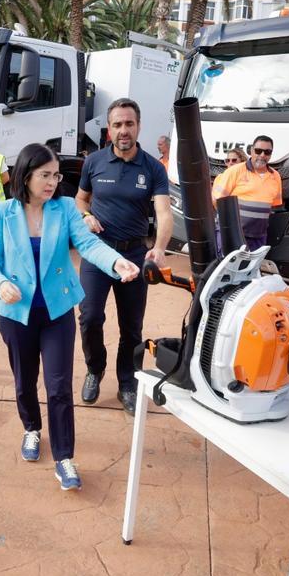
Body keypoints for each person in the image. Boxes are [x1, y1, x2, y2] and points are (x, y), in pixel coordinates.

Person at [0, 144, 140, 490]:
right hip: (16, 314)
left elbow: (88, 244)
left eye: (55, 175)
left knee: (59, 386)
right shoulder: (1, 212)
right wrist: (1, 283)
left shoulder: (65, 208)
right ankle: (31, 428)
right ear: (26, 176)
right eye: (45, 175)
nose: (53, 182)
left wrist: (115, 262)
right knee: (24, 382)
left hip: (57, 312)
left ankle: (64, 457)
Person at [76, 98, 172, 414]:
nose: (123, 130)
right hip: (98, 253)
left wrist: (159, 247)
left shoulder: (153, 168)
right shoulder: (94, 162)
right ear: (109, 129)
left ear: (138, 126)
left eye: (129, 123)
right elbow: (80, 199)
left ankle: (127, 382)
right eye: (117, 124)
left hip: (134, 254)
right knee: (89, 317)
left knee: (131, 327)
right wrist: (86, 215)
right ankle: (95, 368)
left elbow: (164, 212)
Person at [211, 135, 283, 250]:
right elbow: (217, 200)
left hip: (258, 238)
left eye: (267, 152)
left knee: (252, 263)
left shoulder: (276, 176)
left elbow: (273, 206)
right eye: (258, 151)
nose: (262, 155)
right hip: (232, 235)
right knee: (226, 262)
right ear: (251, 151)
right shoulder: (234, 171)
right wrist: (229, 228)